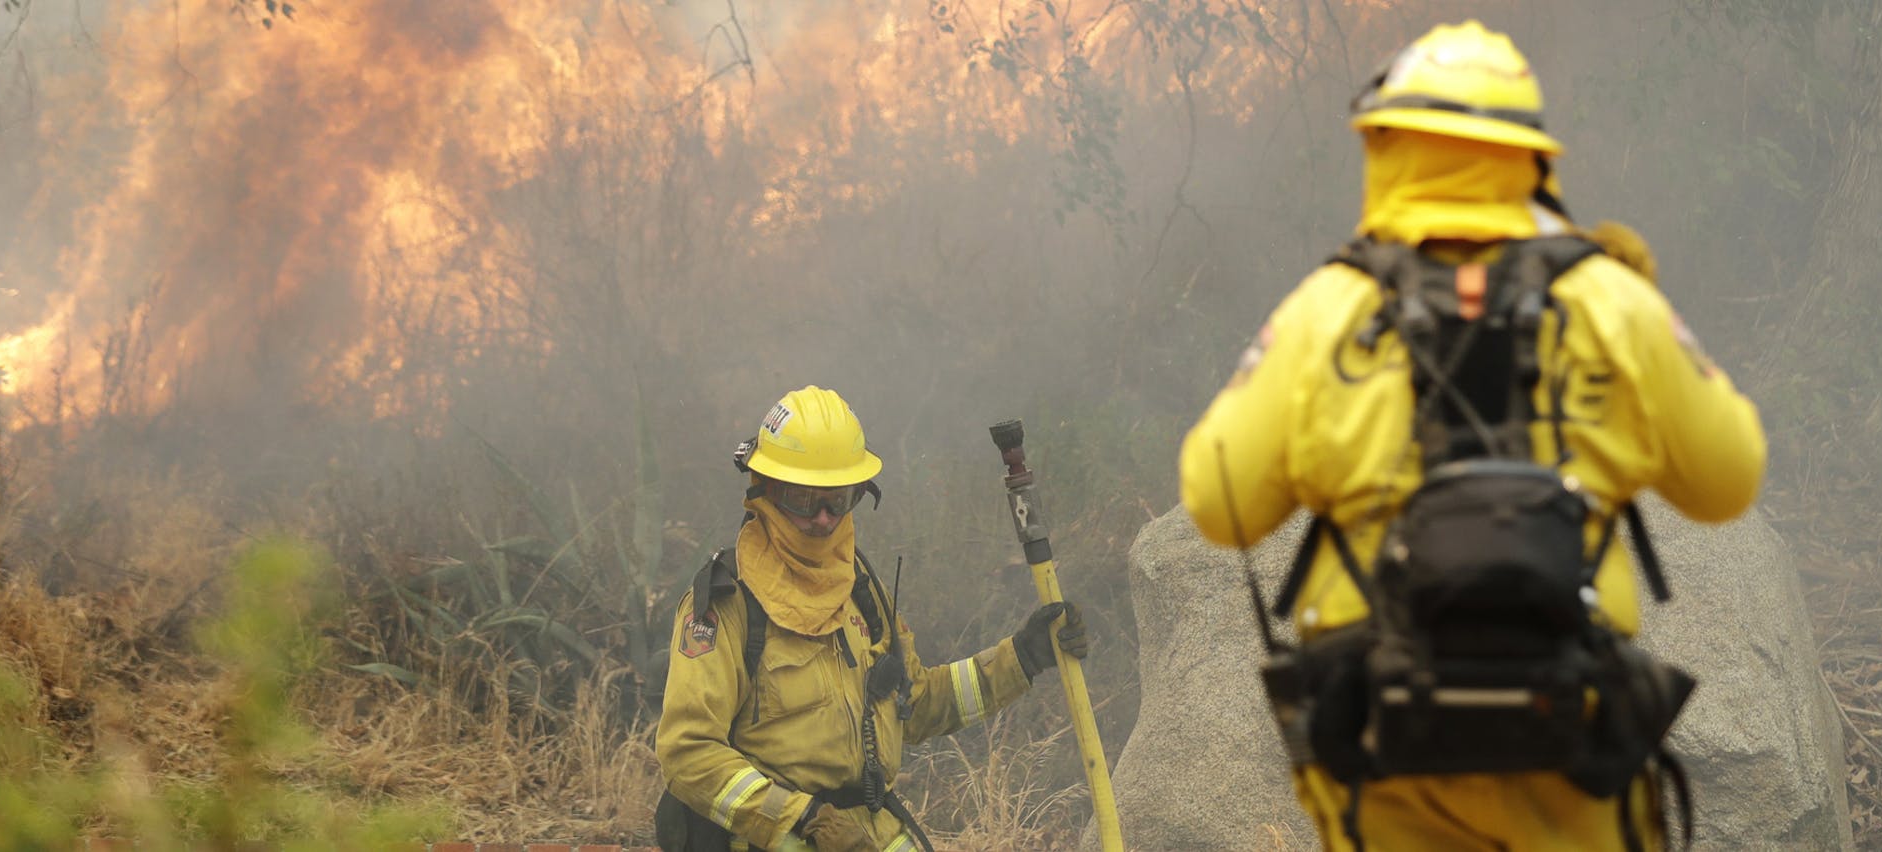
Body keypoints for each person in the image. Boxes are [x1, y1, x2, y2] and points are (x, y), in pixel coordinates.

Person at [1176, 19, 1766, 852]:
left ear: (1384, 148)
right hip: (1572, 734)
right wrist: (1642, 331)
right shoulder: (1610, 300)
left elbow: (1214, 503)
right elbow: (1729, 478)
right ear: (1529, 157)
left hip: (1386, 748)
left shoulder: (1326, 312)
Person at [656, 385, 1089, 852]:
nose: (824, 519)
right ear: (765, 491)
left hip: (873, 834)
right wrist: (802, 820)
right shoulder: (728, 604)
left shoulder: (860, 589)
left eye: (838, 500)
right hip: (776, 838)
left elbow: (916, 706)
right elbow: (688, 752)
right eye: (805, 500)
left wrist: (1021, 658)